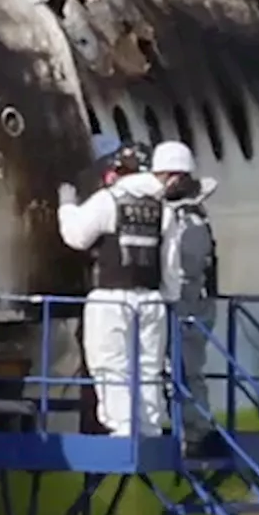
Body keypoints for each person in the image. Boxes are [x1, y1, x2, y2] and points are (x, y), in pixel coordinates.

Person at [57, 141, 169, 437]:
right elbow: (171, 257)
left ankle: (123, 428)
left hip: (111, 298)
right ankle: (149, 426)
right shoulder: (163, 206)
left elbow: (76, 236)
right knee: (148, 367)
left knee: (111, 364)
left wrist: (67, 206)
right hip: (152, 300)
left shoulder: (110, 200)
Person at [152, 140, 219, 455]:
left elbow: (187, 266)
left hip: (188, 303)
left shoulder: (187, 219)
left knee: (185, 367)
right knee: (182, 367)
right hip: (192, 301)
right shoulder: (193, 214)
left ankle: (195, 430)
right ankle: (192, 426)